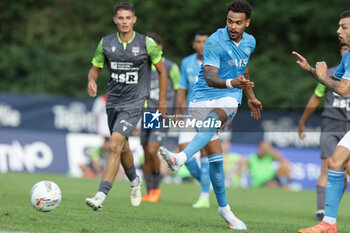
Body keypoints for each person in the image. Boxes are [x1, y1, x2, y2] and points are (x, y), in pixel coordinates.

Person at [159, 0, 262, 230]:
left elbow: (243, 69)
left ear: (247, 23)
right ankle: (224, 209)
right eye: (229, 21)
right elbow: (210, 78)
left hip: (229, 97)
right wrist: (232, 81)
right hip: (202, 97)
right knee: (215, 159)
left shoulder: (250, 42)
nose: (233, 26)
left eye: (238, 23)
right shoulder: (214, 41)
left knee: (214, 120)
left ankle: (180, 158)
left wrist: (250, 94)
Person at [85, 2, 167, 211]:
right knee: (123, 146)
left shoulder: (146, 43)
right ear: (115, 20)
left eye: (128, 18)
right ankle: (135, 181)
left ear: (134, 20)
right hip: (113, 102)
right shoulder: (106, 43)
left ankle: (100, 195)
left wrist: (163, 103)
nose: (124, 22)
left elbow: (162, 72)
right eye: (120, 18)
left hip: (135, 102)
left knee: (114, 145)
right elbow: (94, 69)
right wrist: (92, 81)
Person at [293, 10, 350, 233]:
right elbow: (332, 83)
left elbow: (344, 90)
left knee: (337, 163)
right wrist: (310, 70)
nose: (338, 30)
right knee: (336, 163)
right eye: (339, 26)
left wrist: (324, 76)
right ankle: (328, 224)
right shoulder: (347, 57)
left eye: (344, 26)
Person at [141, 32, 180, 203]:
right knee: (146, 154)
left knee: (152, 150)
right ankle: (149, 190)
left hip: (162, 114)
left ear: (161, 47)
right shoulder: (141, 67)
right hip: (145, 113)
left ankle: (156, 189)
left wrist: (178, 111)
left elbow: (179, 89)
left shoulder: (171, 67)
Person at [176, 30, 211, 208]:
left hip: (209, 114)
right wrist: (179, 113)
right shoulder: (186, 62)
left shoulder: (215, 62)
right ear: (194, 44)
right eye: (199, 41)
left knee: (205, 153)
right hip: (190, 115)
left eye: (205, 42)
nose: (202, 45)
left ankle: (204, 196)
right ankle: (207, 182)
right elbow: (182, 89)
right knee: (184, 151)